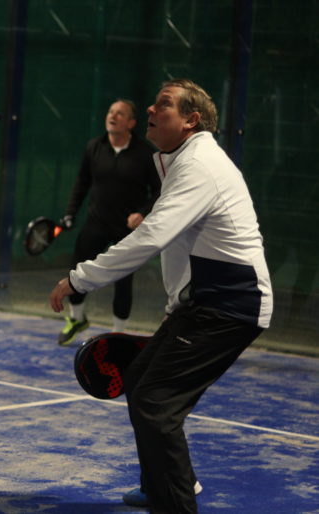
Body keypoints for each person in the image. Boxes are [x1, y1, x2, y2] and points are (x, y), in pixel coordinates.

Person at [49, 78, 272, 513]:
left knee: (155, 401)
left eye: (163, 105)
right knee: (139, 382)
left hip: (231, 305)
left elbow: (151, 238)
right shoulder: (178, 161)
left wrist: (79, 279)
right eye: (152, 104)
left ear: (191, 120)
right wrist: (176, 308)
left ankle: (175, 500)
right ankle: (161, 485)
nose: (151, 109)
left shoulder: (199, 164)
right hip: (206, 300)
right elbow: (180, 246)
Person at [58, 99, 161, 345]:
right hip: (97, 222)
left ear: (131, 123)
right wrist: (70, 212)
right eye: (110, 111)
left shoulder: (146, 154)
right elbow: (82, 183)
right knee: (77, 271)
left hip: (128, 229)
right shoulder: (94, 147)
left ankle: (117, 335)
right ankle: (76, 318)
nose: (113, 116)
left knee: (123, 281)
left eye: (120, 113)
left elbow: (159, 191)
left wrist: (142, 213)